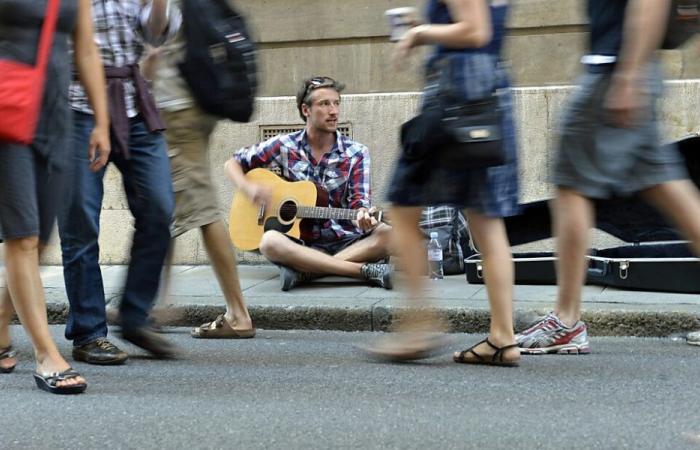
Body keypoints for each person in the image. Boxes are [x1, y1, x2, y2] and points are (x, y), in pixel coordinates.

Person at [516, 0, 700, 354]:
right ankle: (566, 320)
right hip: (620, 69)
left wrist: (629, 73)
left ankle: (566, 320)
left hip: (615, 71)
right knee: (668, 188)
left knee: (571, 187)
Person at [365, 0, 521, 365]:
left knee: (403, 207)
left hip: (456, 91)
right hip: (487, 89)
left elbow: (474, 29)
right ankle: (503, 337)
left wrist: (419, 33)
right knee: (484, 216)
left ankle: (420, 324)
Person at [57, 0, 181, 364]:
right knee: (79, 222)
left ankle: (135, 316)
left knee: (159, 207)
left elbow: (157, 33)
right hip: (75, 105)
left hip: (133, 104)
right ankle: (89, 332)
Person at [0, 0, 110, 393]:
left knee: (41, 239)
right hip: (5, 110)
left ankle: (0, 325)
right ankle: (47, 355)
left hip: (53, 116)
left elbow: (85, 47)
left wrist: (101, 120)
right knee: (23, 235)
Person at [225, 76, 394, 292]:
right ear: (306, 110)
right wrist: (248, 188)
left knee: (390, 234)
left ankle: (306, 272)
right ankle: (360, 270)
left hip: (345, 240)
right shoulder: (284, 145)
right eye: (324, 104)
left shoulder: (356, 153)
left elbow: (359, 201)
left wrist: (363, 216)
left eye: (336, 103)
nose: (334, 111)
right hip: (301, 243)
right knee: (269, 242)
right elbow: (232, 163)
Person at [147, 15, 255, 338]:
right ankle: (152, 303)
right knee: (161, 206)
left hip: (177, 110)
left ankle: (238, 313)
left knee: (200, 210)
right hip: (187, 108)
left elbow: (155, 31)